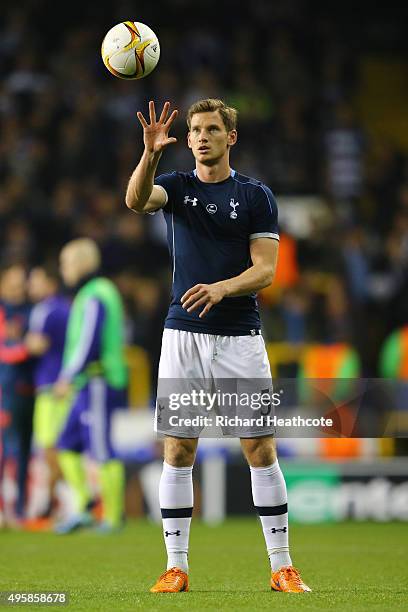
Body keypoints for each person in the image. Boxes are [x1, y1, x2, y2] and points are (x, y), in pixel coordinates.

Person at [125, 99, 311, 593]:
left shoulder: (255, 195)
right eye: (195, 130)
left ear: (232, 137)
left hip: (239, 336)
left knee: (260, 449)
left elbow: (266, 270)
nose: (202, 136)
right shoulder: (176, 187)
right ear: (186, 141)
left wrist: (223, 287)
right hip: (182, 333)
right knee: (178, 449)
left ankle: (282, 567)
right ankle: (176, 568)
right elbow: (135, 201)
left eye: (212, 129)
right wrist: (149, 155)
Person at [53, 239, 128, 533]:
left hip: (98, 379)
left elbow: (89, 342)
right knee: (66, 444)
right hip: (88, 382)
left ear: (81, 263)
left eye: (66, 262)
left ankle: (113, 517)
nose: (63, 269)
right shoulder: (94, 292)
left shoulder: (95, 294)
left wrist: (67, 377)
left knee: (101, 448)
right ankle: (84, 506)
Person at [25, 264, 71, 520]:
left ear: (50, 283)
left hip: (51, 389)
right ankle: (52, 503)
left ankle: (77, 498)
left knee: (49, 448)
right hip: (63, 385)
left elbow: (37, 345)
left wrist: (18, 341)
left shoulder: (45, 310)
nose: (31, 285)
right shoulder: (66, 307)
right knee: (58, 447)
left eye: (36, 279)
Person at [0, 264, 34, 523]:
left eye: (22, 280)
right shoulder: (3, 310)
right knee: (5, 450)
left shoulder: (32, 310)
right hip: (5, 390)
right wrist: (25, 349)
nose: (18, 285)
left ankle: (20, 508)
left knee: (24, 451)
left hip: (29, 390)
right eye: (13, 280)